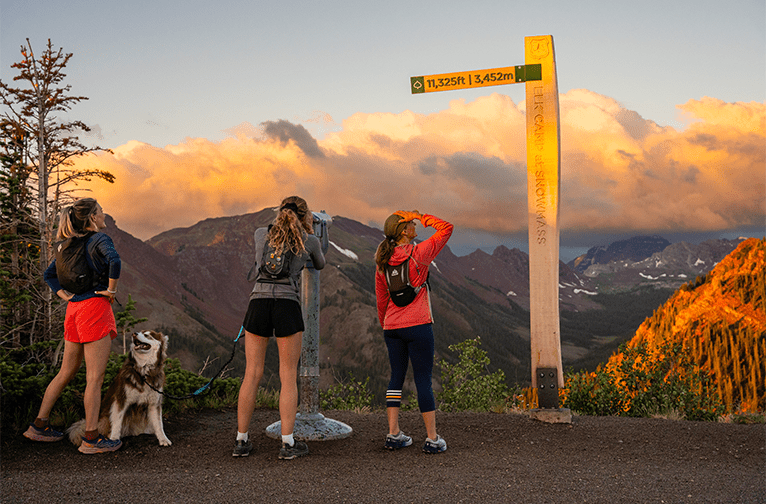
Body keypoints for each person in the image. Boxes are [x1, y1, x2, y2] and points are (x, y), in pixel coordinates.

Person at [24, 198, 122, 454]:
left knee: (66, 371)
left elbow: (49, 275)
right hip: (94, 309)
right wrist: (111, 290)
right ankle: (91, 438)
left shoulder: (64, 245)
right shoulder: (99, 240)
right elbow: (114, 261)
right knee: (94, 378)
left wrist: (62, 294)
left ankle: (39, 425)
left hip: (74, 310)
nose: (103, 215)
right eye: (100, 212)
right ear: (92, 218)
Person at [234, 196, 326, 459]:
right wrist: (313, 232)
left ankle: (241, 441)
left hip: (259, 302)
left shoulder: (261, 234)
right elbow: (320, 263)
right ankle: (287, 443)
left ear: (279, 212)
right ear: (306, 215)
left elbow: (259, 261)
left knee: (252, 373)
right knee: (288, 375)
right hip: (287, 304)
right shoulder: (309, 241)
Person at [375, 210, 453, 454]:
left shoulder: (382, 262)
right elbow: (447, 228)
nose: (414, 224)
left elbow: (381, 299)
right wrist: (422, 215)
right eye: (410, 223)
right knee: (423, 380)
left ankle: (393, 433)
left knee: (396, 377)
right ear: (404, 231)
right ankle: (432, 439)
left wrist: (385, 324)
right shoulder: (419, 254)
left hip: (392, 327)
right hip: (418, 325)